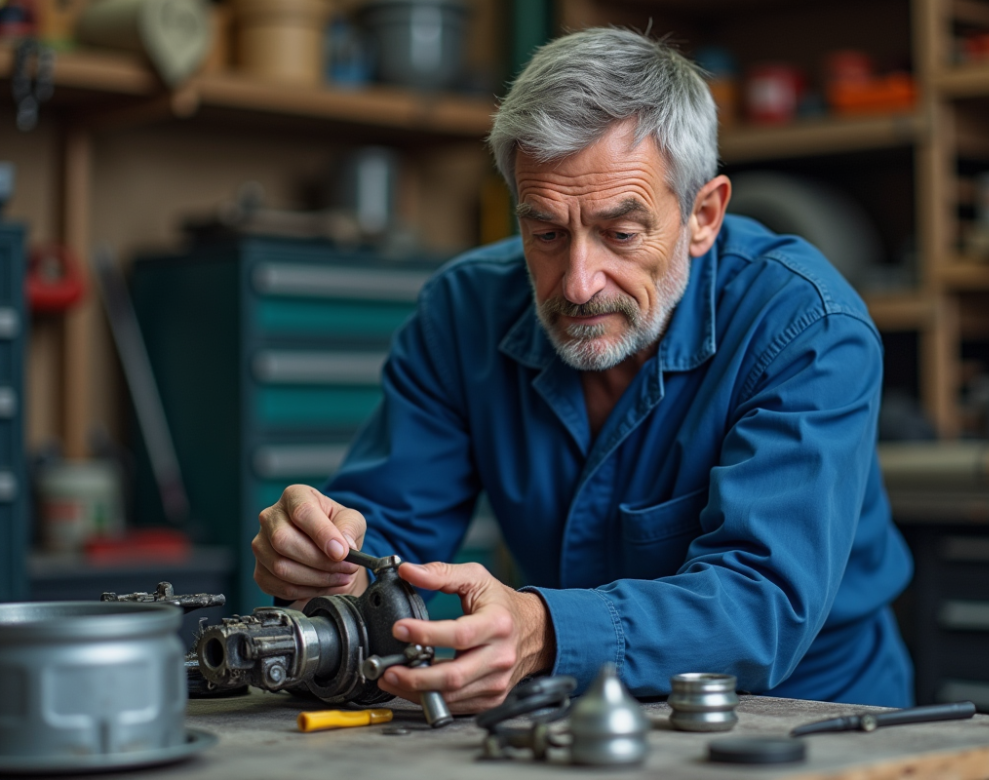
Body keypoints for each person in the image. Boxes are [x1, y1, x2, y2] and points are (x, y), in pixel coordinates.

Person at [251, 27, 914, 714]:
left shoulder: (806, 328)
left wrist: (546, 629)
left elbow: (760, 602)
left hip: (808, 713)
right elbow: (392, 541)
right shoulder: (462, 312)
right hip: (578, 707)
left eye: (620, 234)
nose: (576, 283)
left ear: (703, 216)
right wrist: (329, 562)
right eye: (545, 233)